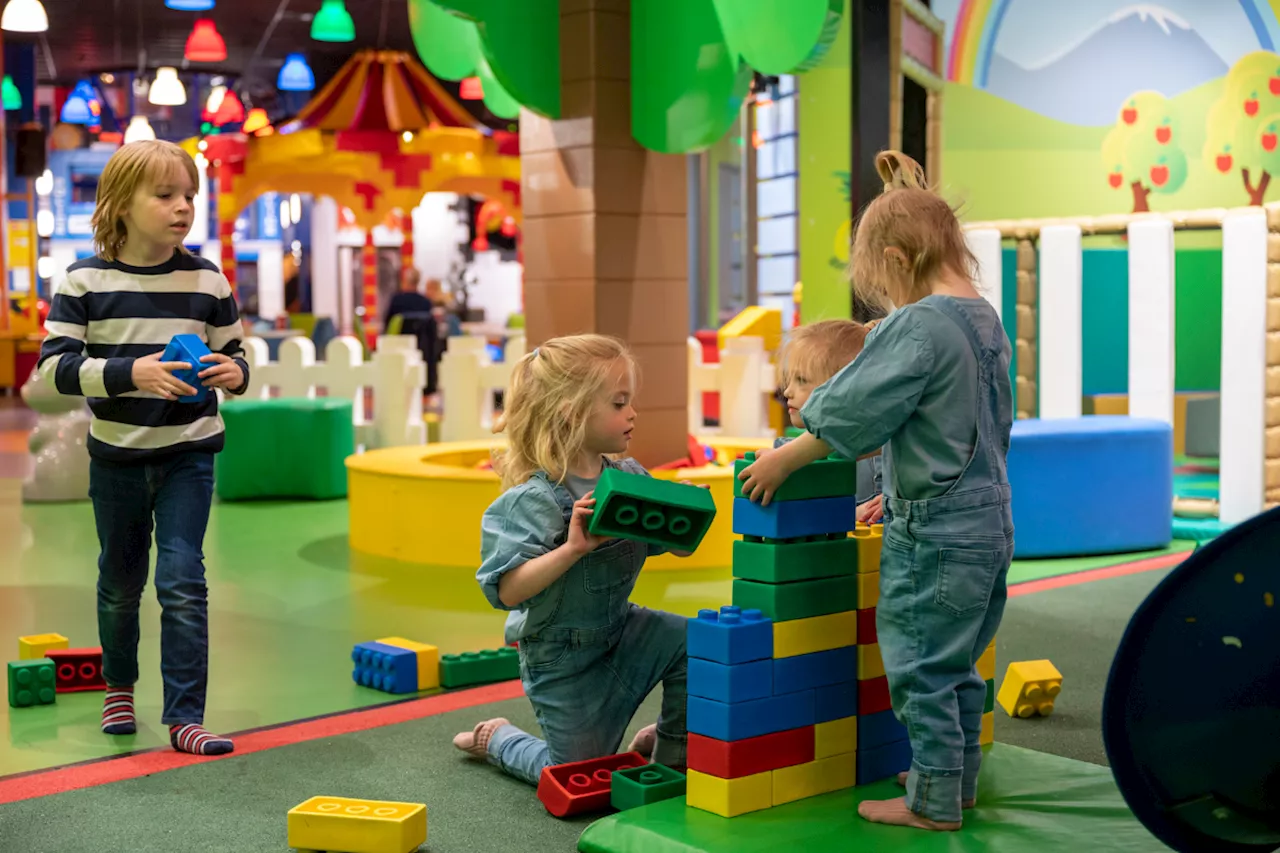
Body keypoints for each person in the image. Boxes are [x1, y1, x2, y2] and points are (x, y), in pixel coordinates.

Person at [738, 150, 1013, 831]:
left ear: (896, 259)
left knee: (919, 662)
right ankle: (956, 779)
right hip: (991, 523)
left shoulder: (919, 325)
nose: (884, 304)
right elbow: (951, 424)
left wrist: (789, 458)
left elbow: (855, 406)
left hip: (938, 533)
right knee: (959, 662)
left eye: (882, 287)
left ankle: (931, 799)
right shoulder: (987, 320)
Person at [36, 140, 250, 756]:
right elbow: (53, 371)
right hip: (118, 458)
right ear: (121, 204)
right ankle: (119, 686)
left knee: (183, 578)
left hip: (190, 451)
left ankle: (185, 716)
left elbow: (236, 355)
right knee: (120, 580)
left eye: (189, 195)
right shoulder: (83, 281)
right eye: (165, 195)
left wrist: (233, 374)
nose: (182, 207)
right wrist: (134, 373)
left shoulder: (207, 278)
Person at [453, 334, 694, 785]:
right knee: (571, 773)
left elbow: (673, 544)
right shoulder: (533, 501)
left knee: (696, 641)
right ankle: (498, 739)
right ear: (571, 412)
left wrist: (683, 523)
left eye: (630, 402)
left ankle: (671, 753)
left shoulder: (628, 477)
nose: (633, 414)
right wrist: (572, 548)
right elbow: (506, 590)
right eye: (619, 403)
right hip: (562, 659)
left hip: (622, 629)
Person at [775, 319, 882, 515]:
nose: (788, 391)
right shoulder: (782, 455)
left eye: (802, 380)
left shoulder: (883, 460)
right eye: (789, 380)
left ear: (843, 389)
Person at [384, 267, 440, 394]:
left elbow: (389, 325)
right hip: (423, 348)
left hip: (399, 348)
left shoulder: (397, 300)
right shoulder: (425, 302)